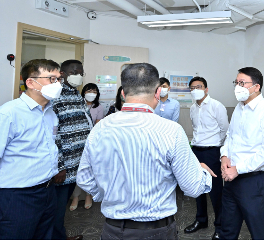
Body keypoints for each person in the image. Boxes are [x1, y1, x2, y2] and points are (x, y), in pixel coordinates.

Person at [77, 63, 216, 240]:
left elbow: (84, 178)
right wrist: (200, 171)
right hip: (157, 231)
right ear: (158, 92)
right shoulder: (171, 130)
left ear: (122, 93)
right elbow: (193, 187)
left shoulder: (100, 128)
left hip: (112, 229)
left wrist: (109, 195)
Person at [0, 59, 62, 239]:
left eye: (58, 79)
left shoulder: (50, 112)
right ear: (30, 82)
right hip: (18, 195)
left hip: (48, 190)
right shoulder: (8, 113)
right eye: (51, 79)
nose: (56, 84)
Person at [220, 67, 264, 240]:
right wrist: (224, 156)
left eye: (242, 83)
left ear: (256, 87)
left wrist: (237, 169)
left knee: (258, 233)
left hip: (252, 182)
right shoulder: (239, 109)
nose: (237, 87)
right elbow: (229, 137)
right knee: (227, 230)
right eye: (236, 83)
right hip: (231, 178)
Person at [51, 59, 92, 240]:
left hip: (77, 161)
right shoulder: (55, 96)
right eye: (76, 71)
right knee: (56, 208)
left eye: (81, 72)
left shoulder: (76, 94)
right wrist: (59, 165)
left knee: (61, 208)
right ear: (63, 73)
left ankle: (59, 235)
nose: (79, 76)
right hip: (63, 166)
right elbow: (52, 134)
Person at [184, 77, 229, 240]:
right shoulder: (192, 108)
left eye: (198, 87)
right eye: (192, 88)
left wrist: (216, 147)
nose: (195, 90)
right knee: (198, 188)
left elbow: (225, 129)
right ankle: (201, 220)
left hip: (212, 152)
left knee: (216, 191)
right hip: (196, 150)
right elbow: (196, 129)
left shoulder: (217, 106)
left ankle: (220, 226)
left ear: (206, 89)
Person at [69, 83, 104, 211]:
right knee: (78, 168)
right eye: (89, 90)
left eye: (94, 91)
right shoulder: (78, 104)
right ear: (83, 92)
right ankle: (76, 196)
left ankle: (89, 194)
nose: (91, 93)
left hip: (91, 142)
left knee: (90, 168)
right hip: (76, 141)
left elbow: (98, 125)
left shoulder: (98, 107)